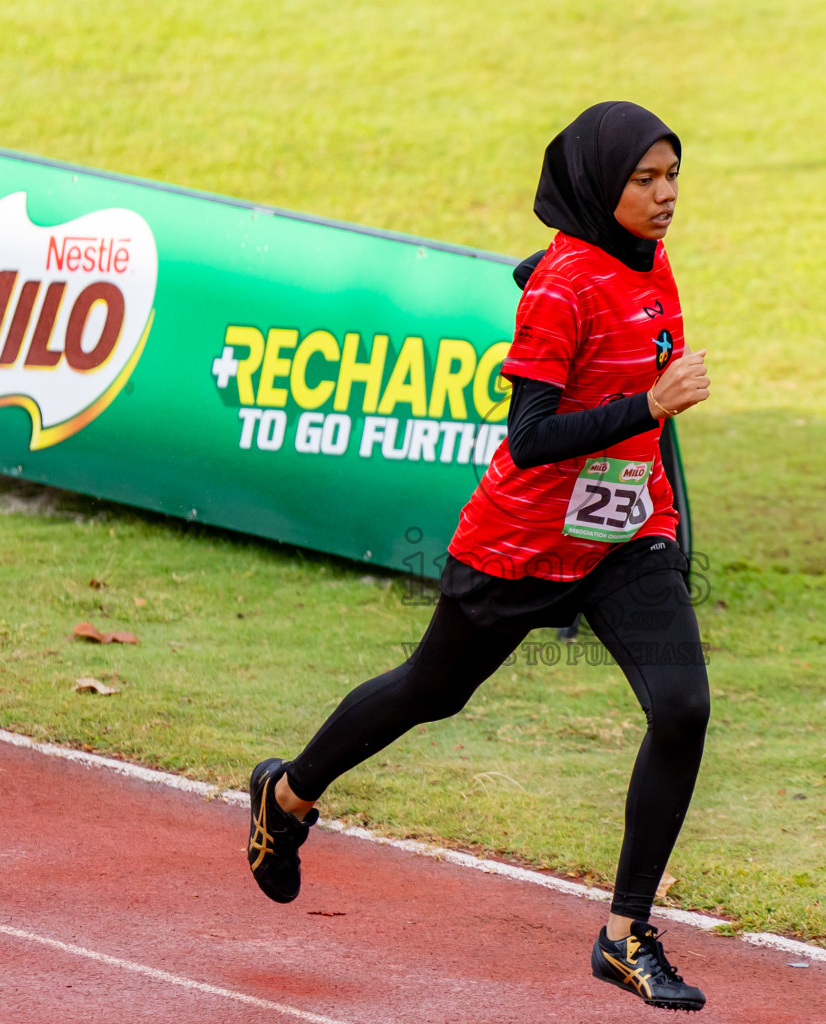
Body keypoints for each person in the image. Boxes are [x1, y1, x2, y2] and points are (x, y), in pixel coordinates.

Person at [246, 101, 712, 1012]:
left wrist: (666, 525)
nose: (664, 198)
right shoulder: (561, 291)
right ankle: (289, 796)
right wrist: (649, 407)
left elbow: (623, 352)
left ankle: (625, 934)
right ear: (595, 186)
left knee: (684, 705)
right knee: (433, 690)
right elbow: (533, 438)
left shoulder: (647, 261)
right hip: (525, 539)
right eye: (643, 181)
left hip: (624, 538)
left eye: (672, 178)